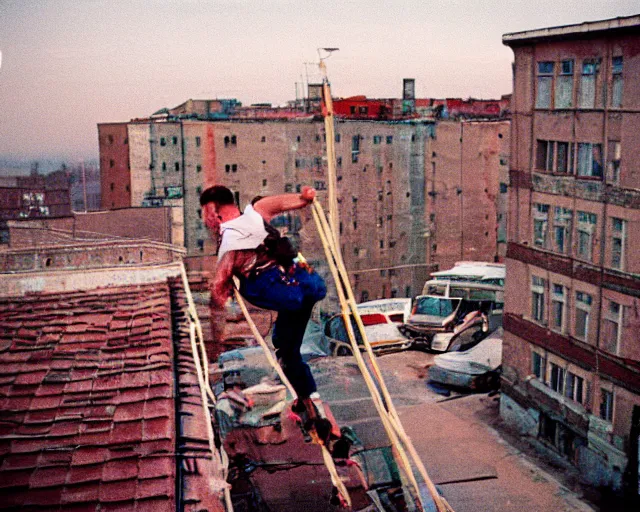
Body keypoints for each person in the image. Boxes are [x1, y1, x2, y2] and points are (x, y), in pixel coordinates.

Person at [200, 184, 329, 431]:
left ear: (215, 213)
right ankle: (309, 402)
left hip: (285, 293)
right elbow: (289, 202)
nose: (207, 223)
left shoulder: (229, 242)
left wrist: (215, 339)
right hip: (308, 283)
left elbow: (218, 293)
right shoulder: (256, 211)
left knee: (286, 352)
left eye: (206, 215)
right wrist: (306, 196)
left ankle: (310, 407)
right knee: (285, 343)